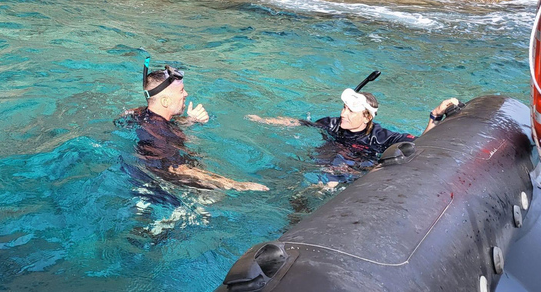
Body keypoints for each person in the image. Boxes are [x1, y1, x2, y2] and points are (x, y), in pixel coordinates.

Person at [247, 87, 460, 188]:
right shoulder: (332, 124)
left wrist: (434, 116)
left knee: (325, 186)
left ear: (366, 117)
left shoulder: (380, 137)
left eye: (350, 111)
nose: (343, 114)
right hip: (318, 167)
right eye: (343, 107)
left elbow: (423, 146)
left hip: (350, 174)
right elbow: (298, 123)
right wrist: (263, 120)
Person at [117, 60, 268, 192]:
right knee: (215, 196)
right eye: (181, 91)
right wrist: (236, 185)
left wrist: (190, 121)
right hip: (159, 191)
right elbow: (178, 170)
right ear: (165, 102)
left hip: (139, 176)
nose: (186, 94)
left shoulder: (140, 114)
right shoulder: (160, 136)